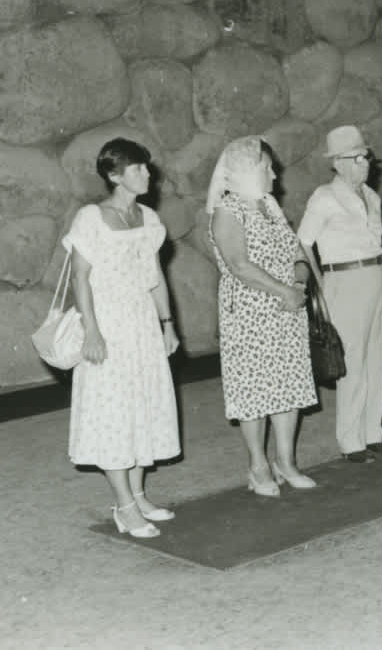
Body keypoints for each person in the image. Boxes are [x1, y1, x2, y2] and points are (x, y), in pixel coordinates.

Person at [63, 138, 180, 538]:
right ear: (115, 175)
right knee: (113, 414)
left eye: (146, 167)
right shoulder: (91, 218)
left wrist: (167, 324)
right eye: (137, 169)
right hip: (108, 325)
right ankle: (125, 506)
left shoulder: (148, 218)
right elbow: (80, 277)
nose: (147, 174)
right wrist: (91, 330)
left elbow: (155, 277)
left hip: (143, 324)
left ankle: (139, 493)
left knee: (142, 407)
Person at [209, 136, 319, 495]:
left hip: (287, 311)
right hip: (251, 314)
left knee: (288, 385)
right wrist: (284, 290)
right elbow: (239, 265)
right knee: (254, 390)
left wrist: (300, 282)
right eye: (267, 167)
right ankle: (258, 466)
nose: (273, 174)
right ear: (246, 171)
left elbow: (296, 252)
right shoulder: (229, 209)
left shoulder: (269, 206)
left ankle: (285, 462)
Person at [297, 125, 382, 464]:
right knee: (351, 359)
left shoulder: (372, 196)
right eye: (358, 157)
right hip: (345, 279)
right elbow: (303, 241)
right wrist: (320, 281)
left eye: (366, 155)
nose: (366, 161)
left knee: (376, 355)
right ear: (339, 162)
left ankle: (373, 432)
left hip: (378, 273)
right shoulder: (325, 196)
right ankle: (351, 440)